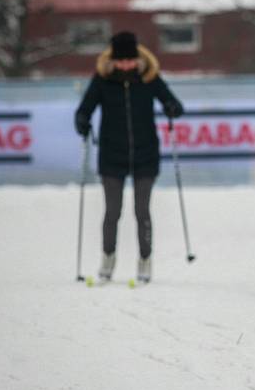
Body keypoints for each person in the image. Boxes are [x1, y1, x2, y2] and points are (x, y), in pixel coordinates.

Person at [74, 31, 184, 284]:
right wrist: (82, 121)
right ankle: (107, 258)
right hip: (112, 157)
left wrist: (172, 108)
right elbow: (84, 109)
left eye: (129, 60)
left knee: (142, 211)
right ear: (112, 60)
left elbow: (174, 104)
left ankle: (145, 261)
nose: (125, 65)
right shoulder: (102, 80)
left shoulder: (149, 78)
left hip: (145, 155)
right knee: (112, 212)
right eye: (120, 61)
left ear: (137, 58)